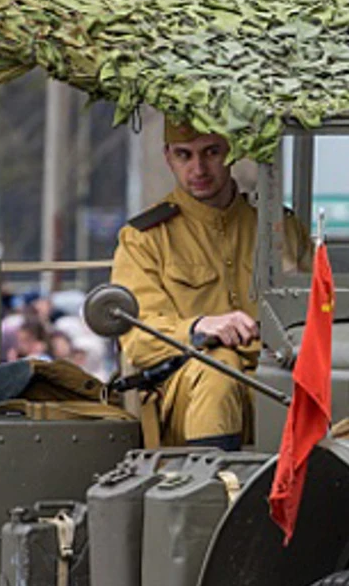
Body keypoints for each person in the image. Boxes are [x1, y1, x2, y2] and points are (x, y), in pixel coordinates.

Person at [109, 119, 307, 450]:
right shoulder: (145, 239)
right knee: (219, 367)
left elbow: (320, 306)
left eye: (211, 152)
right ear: (168, 158)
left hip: (275, 379)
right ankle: (210, 492)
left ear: (231, 152)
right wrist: (200, 328)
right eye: (184, 155)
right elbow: (140, 339)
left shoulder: (278, 228)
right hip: (187, 391)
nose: (198, 168)